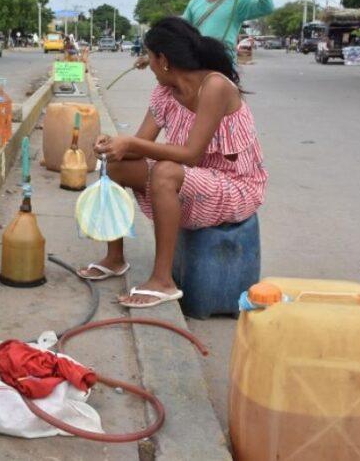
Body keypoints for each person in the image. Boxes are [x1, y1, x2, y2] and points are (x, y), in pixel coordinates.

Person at [79, 17, 267, 308]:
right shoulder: (165, 93)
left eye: (151, 58)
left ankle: (163, 280)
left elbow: (191, 154)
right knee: (114, 167)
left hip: (234, 186)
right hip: (193, 178)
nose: (149, 66)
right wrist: (113, 145)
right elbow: (140, 145)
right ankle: (115, 258)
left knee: (166, 172)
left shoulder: (215, 86)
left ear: (163, 60)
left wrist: (131, 143)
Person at [136, 0, 272, 69]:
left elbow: (267, 7)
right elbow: (179, 32)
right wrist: (151, 57)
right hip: (195, 63)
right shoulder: (196, 1)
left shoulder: (240, 2)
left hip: (222, 66)